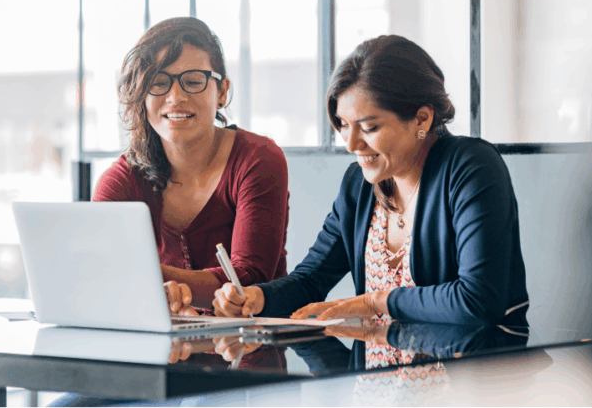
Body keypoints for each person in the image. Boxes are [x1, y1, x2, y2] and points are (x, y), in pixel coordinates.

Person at [213, 35, 529, 327]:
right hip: (373, 382)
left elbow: (478, 300)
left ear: (422, 119)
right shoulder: (359, 184)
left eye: (369, 127)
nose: (351, 145)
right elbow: (312, 280)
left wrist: (377, 301)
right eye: (344, 125)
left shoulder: (471, 167)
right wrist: (259, 297)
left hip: (469, 381)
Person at [93, 17, 290, 314]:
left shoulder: (258, 159)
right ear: (141, 96)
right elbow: (97, 269)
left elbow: (247, 277)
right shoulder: (122, 179)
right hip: (163, 350)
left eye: (194, 81)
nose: (176, 97)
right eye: (158, 83)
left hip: (253, 347)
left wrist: (147, 281)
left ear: (222, 92)